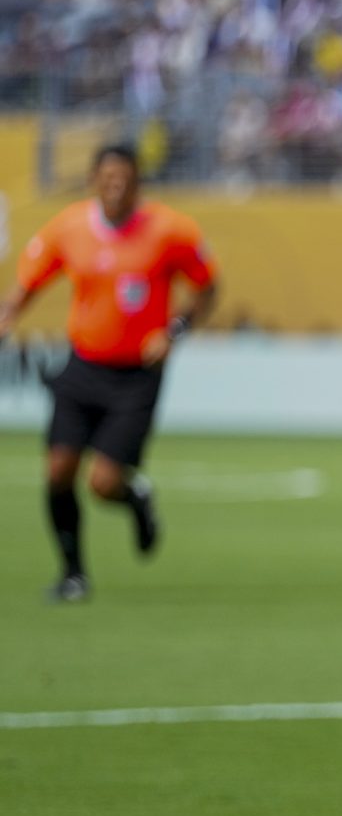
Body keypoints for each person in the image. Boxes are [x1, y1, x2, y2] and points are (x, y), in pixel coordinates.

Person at [0, 144, 220, 603]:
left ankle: (135, 498)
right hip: (83, 365)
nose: (116, 186)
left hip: (138, 374)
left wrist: (175, 331)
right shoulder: (70, 227)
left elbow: (207, 286)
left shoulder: (170, 230)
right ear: (93, 180)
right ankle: (73, 574)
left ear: (138, 183)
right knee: (58, 469)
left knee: (102, 484)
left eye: (125, 178)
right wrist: (9, 314)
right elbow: (30, 280)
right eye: (108, 177)